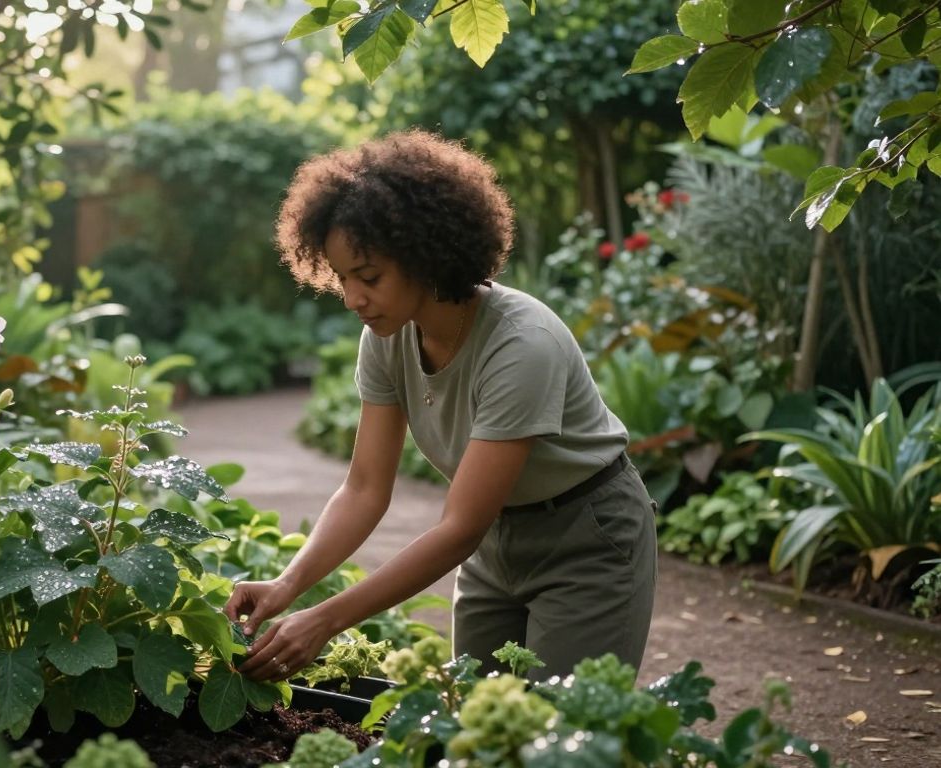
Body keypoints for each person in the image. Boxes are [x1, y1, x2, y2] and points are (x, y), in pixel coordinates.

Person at [223, 130, 658, 683]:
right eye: (341, 279)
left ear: (423, 258)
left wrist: (325, 620)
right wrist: (288, 585)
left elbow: (459, 528)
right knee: (472, 723)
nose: (354, 298)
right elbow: (363, 488)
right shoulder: (386, 335)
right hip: (497, 543)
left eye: (370, 277)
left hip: (588, 539)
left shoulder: (522, 345)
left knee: (563, 735)